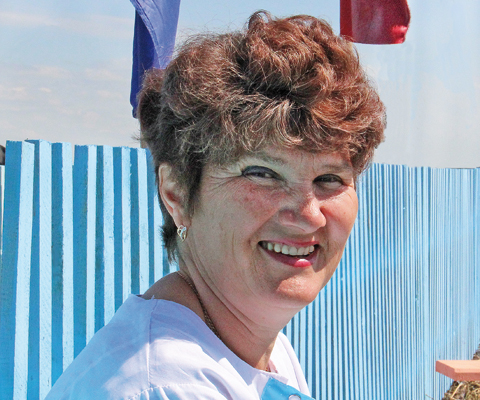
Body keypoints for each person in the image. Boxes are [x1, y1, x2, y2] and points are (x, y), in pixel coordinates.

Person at [46, 11, 385, 400]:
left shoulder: (259, 348)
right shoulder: (171, 387)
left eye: (330, 179)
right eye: (262, 173)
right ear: (176, 193)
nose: (308, 215)